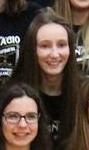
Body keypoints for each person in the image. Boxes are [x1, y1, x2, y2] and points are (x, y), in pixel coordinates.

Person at [10, 8, 80, 140]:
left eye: (61, 45)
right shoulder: (12, 96)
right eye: (45, 46)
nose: (54, 54)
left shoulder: (84, 92)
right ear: (32, 49)